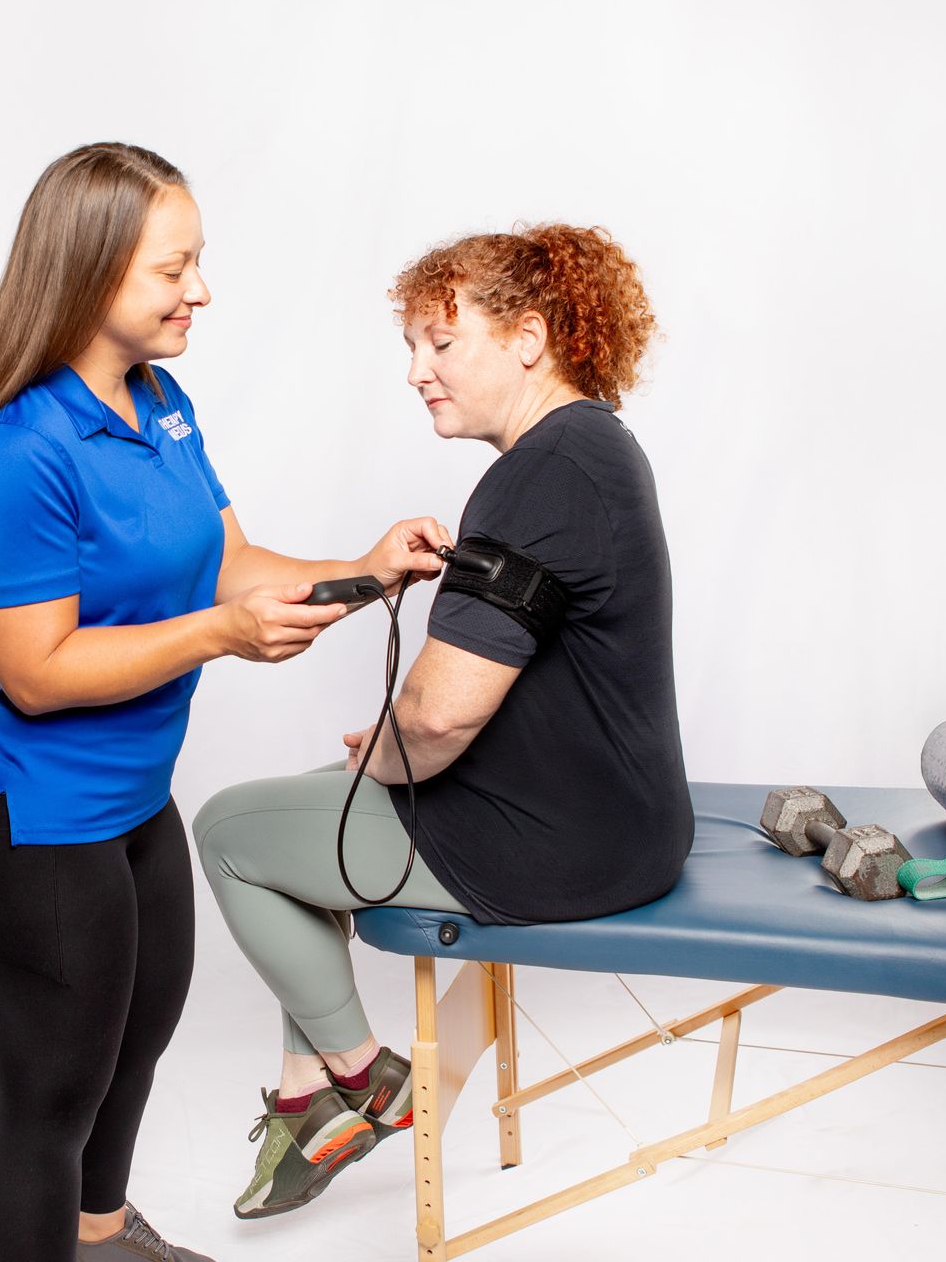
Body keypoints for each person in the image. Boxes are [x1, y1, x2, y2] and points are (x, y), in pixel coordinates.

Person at [0, 141, 450, 1262]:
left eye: (197, 263)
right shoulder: (21, 451)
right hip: (24, 818)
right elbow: (36, 669)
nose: (199, 290)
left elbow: (228, 564)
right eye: (175, 269)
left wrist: (363, 572)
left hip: (128, 803)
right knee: (51, 1093)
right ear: (91, 270)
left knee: (133, 1043)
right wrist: (216, 637)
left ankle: (104, 1239)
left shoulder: (161, 404)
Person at [192, 223, 693, 1220]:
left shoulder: (542, 472)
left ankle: (361, 1077)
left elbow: (437, 714)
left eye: (441, 342)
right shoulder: (592, 447)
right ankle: (307, 1098)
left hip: (557, 847)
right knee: (311, 810)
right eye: (410, 347)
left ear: (528, 337)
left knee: (231, 832)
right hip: (628, 823)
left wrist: (387, 757)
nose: (417, 370)